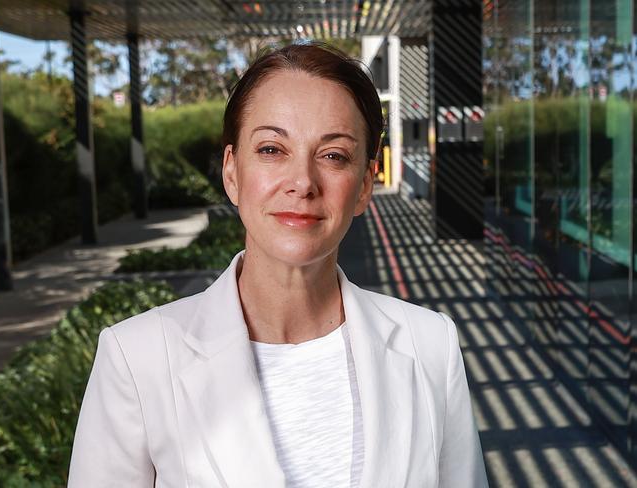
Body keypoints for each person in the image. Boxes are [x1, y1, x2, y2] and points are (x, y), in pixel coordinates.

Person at [68, 42, 488, 488]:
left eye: (333, 155)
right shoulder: (137, 359)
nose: (302, 182)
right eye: (271, 149)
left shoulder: (430, 346)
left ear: (365, 184)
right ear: (232, 173)